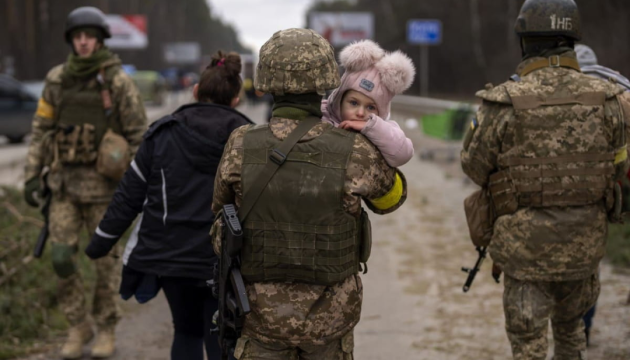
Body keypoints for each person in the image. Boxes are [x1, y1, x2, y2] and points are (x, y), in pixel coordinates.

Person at [211, 28, 407, 359]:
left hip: (259, 319)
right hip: (329, 324)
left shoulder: (241, 142)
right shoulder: (354, 148)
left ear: (266, 82)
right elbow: (391, 200)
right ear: (327, 80)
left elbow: (219, 212)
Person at [460, 0, 630, 359]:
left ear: (524, 41)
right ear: (572, 40)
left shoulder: (503, 102)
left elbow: (474, 168)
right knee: (572, 335)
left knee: (528, 344)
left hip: (524, 255)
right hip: (584, 251)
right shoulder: (611, 99)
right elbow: (617, 169)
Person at [84, 51, 253, 360]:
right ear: (236, 99)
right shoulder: (251, 140)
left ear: (195, 92)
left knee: (185, 331)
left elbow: (129, 195)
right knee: (223, 334)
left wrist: (100, 243)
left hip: (172, 261)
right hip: (228, 260)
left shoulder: (162, 134)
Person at [22, 6, 147, 359]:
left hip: (104, 191)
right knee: (61, 258)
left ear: (100, 39)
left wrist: (134, 182)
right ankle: (79, 325)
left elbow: (139, 135)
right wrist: (33, 174)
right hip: (63, 186)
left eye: (89, 36)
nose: (83, 42)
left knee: (105, 263)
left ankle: (106, 326)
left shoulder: (117, 81)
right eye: (78, 36)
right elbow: (41, 128)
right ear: (71, 40)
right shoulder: (57, 79)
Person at [574, 43, 630, 346]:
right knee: (589, 267)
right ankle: (583, 327)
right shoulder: (615, 94)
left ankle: (570, 328)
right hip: (599, 197)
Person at [321, 39, 415, 167]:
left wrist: (371, 127)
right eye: (353, 103)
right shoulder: (322, 114)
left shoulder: (384, 130)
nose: (360, 113)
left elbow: (403, 154)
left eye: (371, 107)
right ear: (339, 99)